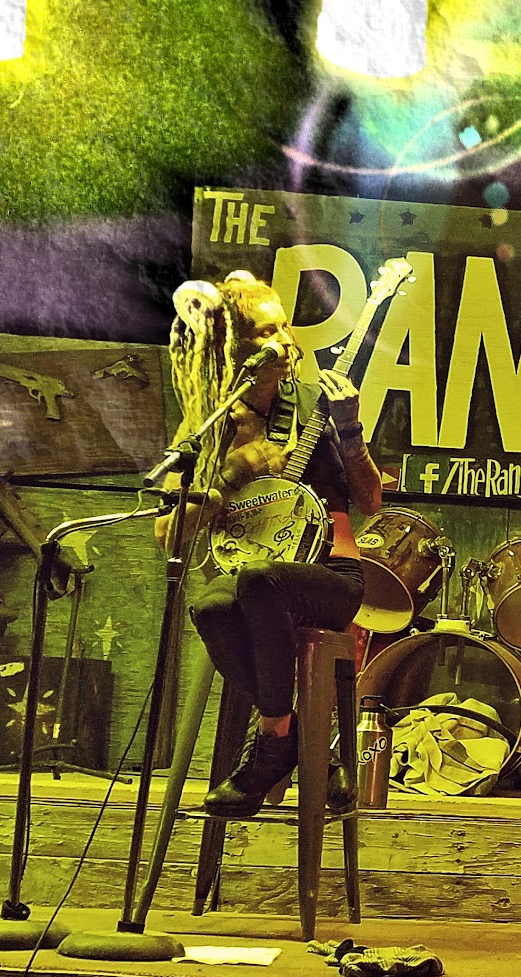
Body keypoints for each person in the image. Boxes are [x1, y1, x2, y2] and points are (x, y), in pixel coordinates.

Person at [157, 272, 383, 817]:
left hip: (332, 576)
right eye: (265, 332)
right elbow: (166, 534)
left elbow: (371, 501)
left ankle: (273, 740)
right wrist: (235, 471)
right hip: (253, 579)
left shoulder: (314, 404)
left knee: (259, 582)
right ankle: (306, 744)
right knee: (211, 606)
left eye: (285, 327)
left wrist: (351, 431)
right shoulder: (208, 425)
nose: (284, 340)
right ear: (233, 348)